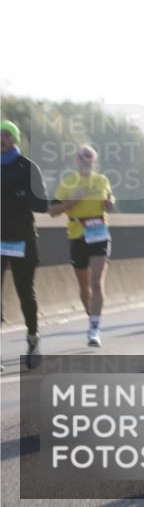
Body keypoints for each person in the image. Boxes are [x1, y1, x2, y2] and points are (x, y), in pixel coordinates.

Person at [49, 144, 115, 347]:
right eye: (82, 155)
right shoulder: (68, 182)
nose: (86, 158)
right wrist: (71, 201)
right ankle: (91, 315)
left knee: (96, 283)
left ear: (94, 160)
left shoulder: (102, 180)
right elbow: (52, 211)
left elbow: (110, 201)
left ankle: (94, 328)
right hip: (77, 234)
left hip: (99, 234)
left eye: (90, 155)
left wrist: (110, 203)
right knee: (84, 287)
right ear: (77, 160)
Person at [1, 120, 48, 368]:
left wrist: (22, 196)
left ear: (15, 139)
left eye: (6, 134)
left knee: (24, 291)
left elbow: (42, 204)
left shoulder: (27, 167)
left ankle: (33, 337)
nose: (1, 139)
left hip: (22, 238)